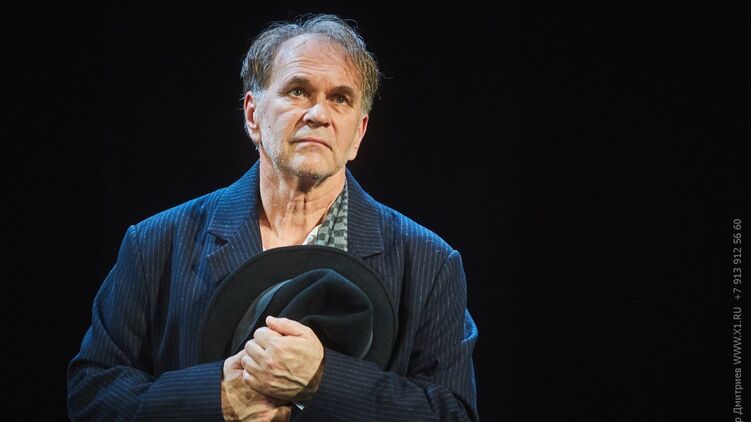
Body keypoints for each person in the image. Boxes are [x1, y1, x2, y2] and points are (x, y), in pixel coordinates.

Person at [68, 14, 479, 421]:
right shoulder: (155, 244)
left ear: (358, 132)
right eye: (298, 91)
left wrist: (321, 379)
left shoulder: (429, 263)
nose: (319, 114)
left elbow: (452, 413)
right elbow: (92, 394)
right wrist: (216, 398)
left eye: (340, 99)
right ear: (253, 115)